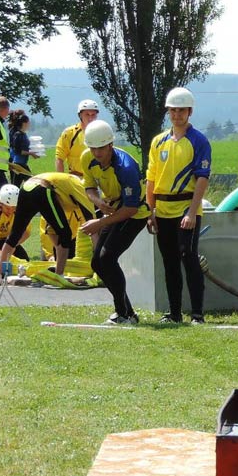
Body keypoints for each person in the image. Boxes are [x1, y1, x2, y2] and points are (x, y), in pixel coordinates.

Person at [146, 87, 211, 325]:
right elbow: (151, 179)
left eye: (181, 110)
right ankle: (174, 313)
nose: (177, 115)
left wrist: (192, 212)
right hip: (162, 210)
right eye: (173, 110)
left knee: (188, 257)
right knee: (169, 262)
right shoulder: (158, 142)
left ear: (189, 111)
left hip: (186, 207)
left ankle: (197, 314)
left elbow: (202, 178)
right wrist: (150, 211)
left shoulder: (199, 141)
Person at [79, 120, 149, 325]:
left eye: (101, 148)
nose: (96, 153)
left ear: (110, 144)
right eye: (92, 148)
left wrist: (99, 223)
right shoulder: (87, 158)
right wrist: (98, 201)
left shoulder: (126, 168)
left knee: (108, 258)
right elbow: (89, 187)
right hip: (114, 209)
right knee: (97, 263)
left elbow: (131, 209)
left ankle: (122, 314)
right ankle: (128, 313)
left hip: (135, 214)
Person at [0, 172, 95, 279]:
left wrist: (57, 246)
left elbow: (53, 224)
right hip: (42, 189)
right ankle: (59, 275)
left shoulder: (68, 187)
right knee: (66, 234)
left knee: (15, 234)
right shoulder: (82, 190)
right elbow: (93, 223)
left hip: (26, 188)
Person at [55, 99, 100, 177]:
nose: (90, 118)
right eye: (87, 114)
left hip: (97, 178)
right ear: (80, 115)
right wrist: (61, 180)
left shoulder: (102, 132)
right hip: (77, 178)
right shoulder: (69, 133)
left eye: (93, 115)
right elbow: (59, 158)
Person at [0, 184, 29, 260]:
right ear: (1, 204)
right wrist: (1, 255)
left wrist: (13, 245)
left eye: (14, 207)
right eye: (7, 208)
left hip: (7, 240)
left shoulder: (20, 209)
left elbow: (26, 232)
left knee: (24, 259)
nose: (10, 211)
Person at [8, 110, 41, 186]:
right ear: (24, 123)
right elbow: (17, 150)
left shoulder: (23, 134)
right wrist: (31, 153)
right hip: (17, 165)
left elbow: (24, 148)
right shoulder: (17, 134)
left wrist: (33, 152)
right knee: (29, 184)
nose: (30, 124)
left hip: (22, 164)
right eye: (28, 122)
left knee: (28, 184)